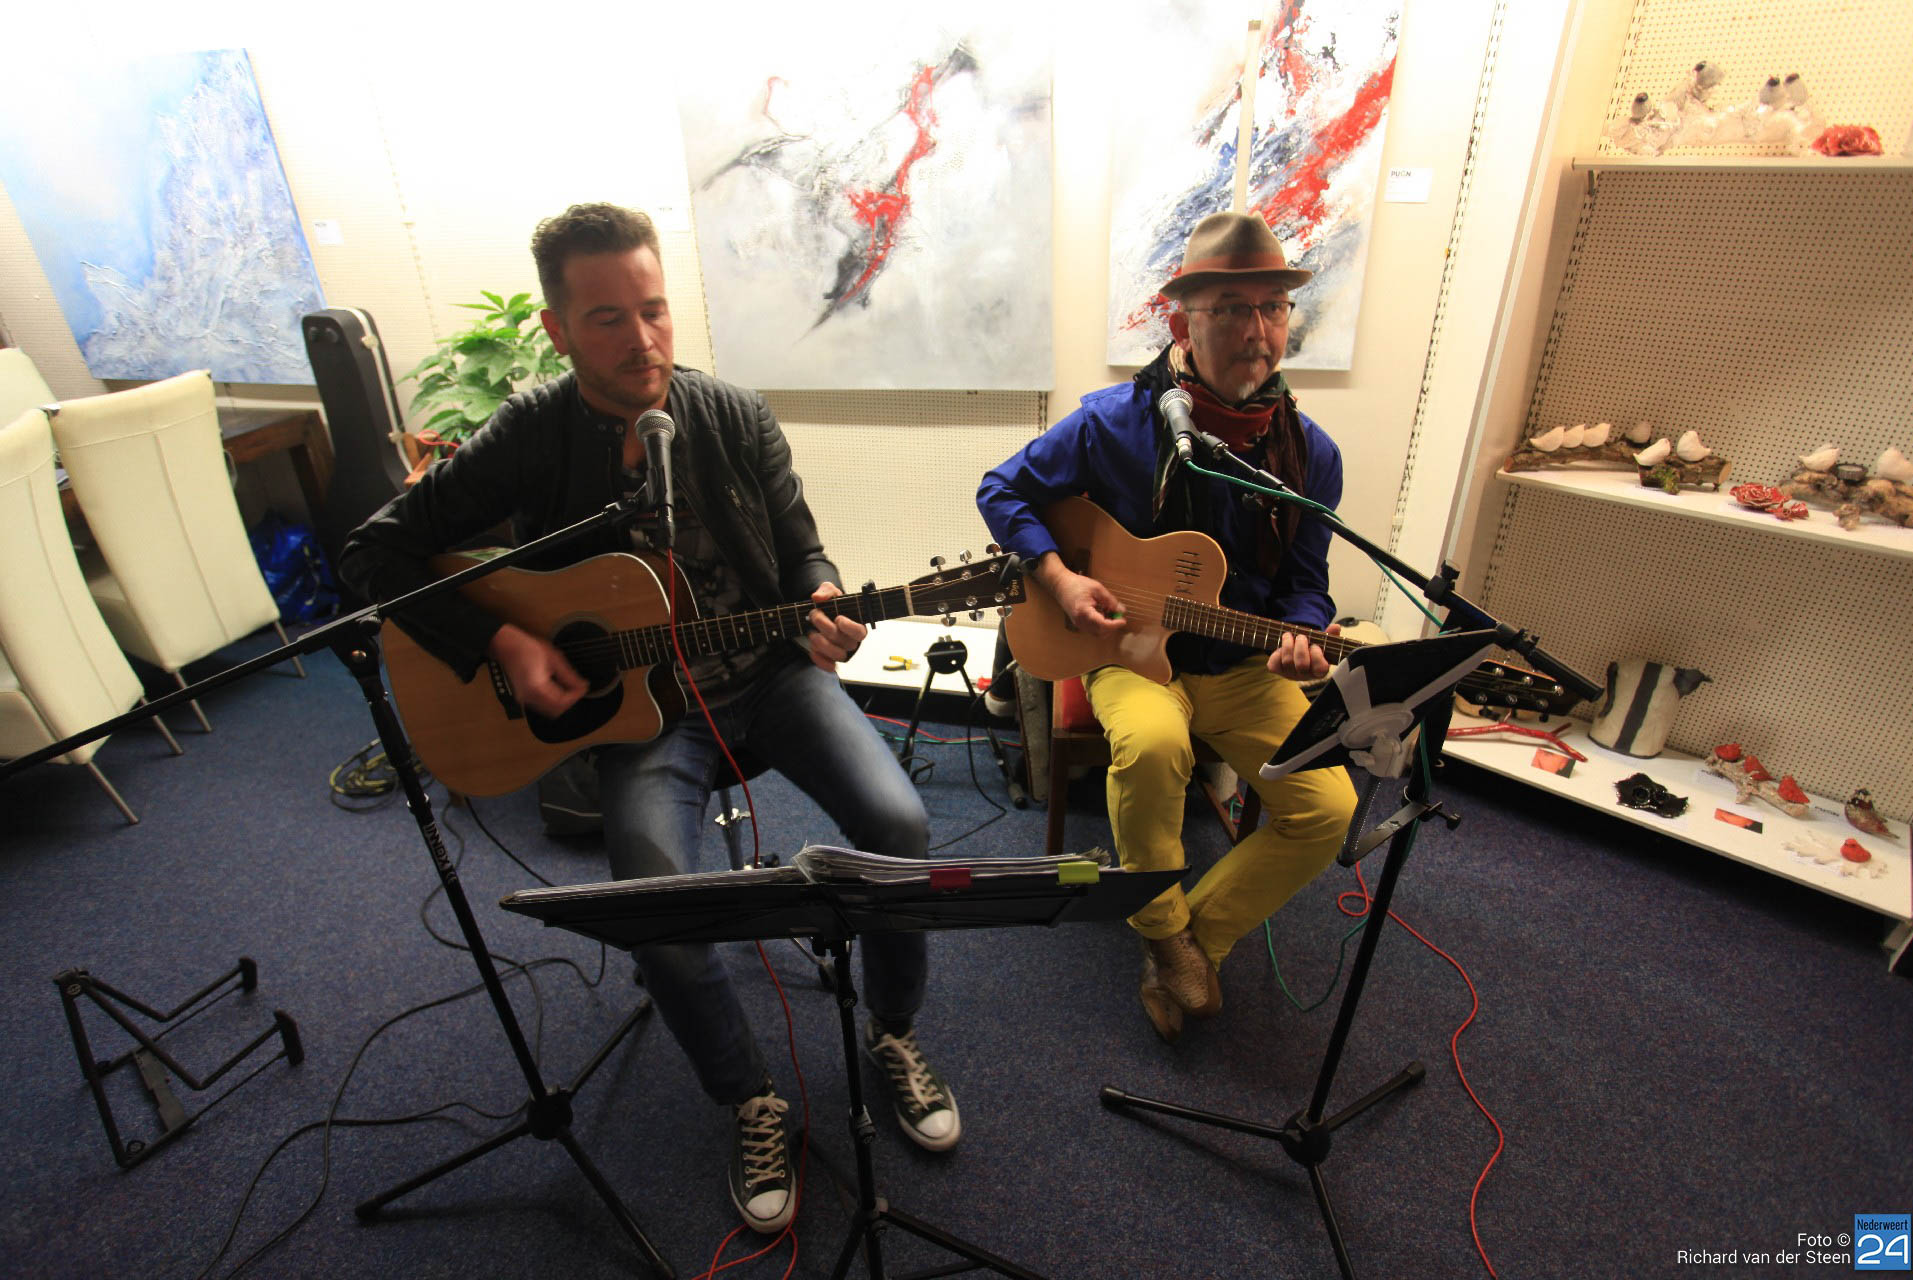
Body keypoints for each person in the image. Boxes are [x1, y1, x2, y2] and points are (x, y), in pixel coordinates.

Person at [339, 203, 959, 1235]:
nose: (644, 340)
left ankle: (892, 1031)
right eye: (609, 319)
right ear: (557, 331)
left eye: (656, 310)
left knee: (899, 826)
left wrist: (821, 597)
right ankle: (750, 1096)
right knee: (655, 908)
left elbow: (804, 550)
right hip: (640, 715)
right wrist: (502, 641)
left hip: (768, 678)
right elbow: (375, 549)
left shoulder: (735, 416)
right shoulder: (530, 436)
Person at [976, 211, 1358, 1043]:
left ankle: (1185, 942)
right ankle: (1163, 929)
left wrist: (1303, 636)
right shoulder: (1113, 422)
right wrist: (1061, 578)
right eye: (1232, 309)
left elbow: (1305, 585)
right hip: (1127, 652)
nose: (1258, 331)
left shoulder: (1311, 456)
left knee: (1330, 806)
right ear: (1183, 322)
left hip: (1244, 669)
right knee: (1152, 748)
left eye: (1273, 307)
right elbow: (1001, 490)